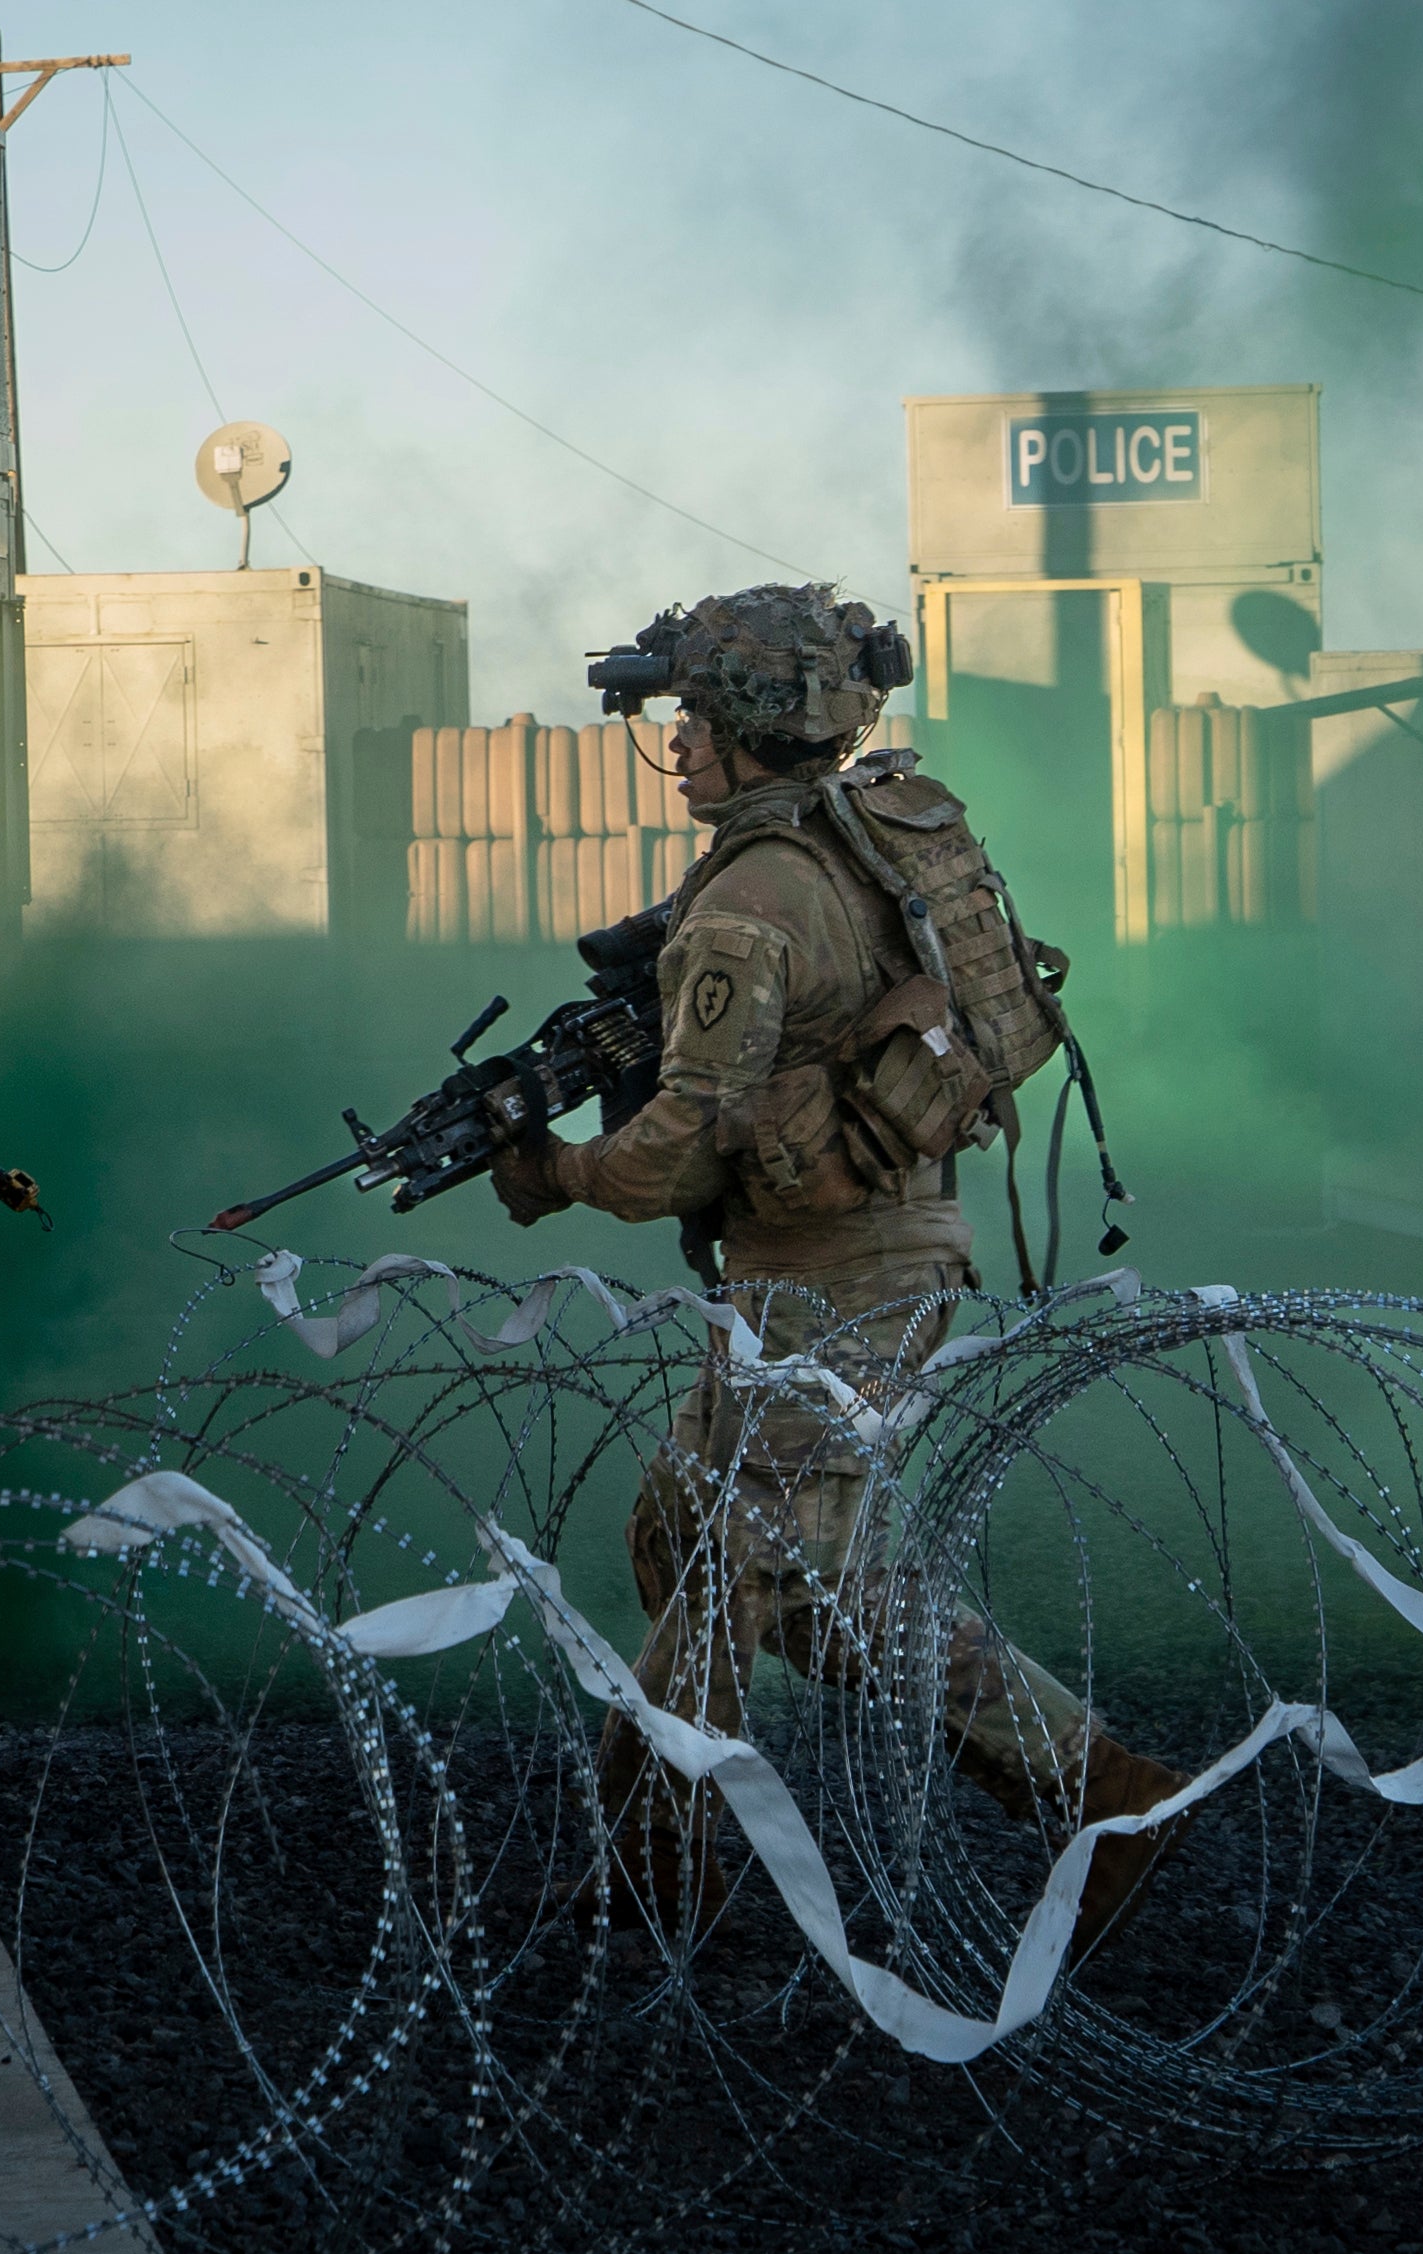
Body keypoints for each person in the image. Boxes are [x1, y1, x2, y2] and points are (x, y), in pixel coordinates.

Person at [489, 583, 1190, 1963]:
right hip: (839, 1261)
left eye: (693, 716)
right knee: (701, 1544)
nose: (677, 744)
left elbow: (666, 1162)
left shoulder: (749, 898)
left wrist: (550, 1168)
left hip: (842, 1273)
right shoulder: (848, 845)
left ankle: (1088, 1795)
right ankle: (1087, 1793)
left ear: (751, 722)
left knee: (738, 1566)